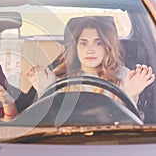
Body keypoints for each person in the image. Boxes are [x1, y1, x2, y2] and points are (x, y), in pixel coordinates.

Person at [26, 16, 155, 109]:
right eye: (83, 43)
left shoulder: (125, 76)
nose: (90, 50)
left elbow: (131, 128)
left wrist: (131, 95)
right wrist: (45, 92)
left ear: (108, 47)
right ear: (75, 47)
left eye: (98, 43)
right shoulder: (58, 77)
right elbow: (48, 123)